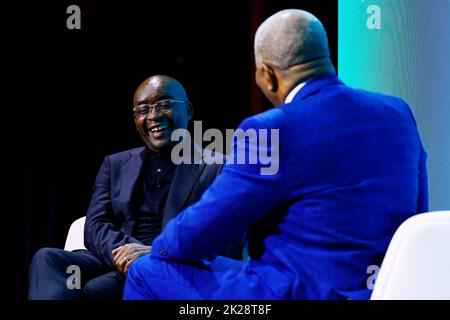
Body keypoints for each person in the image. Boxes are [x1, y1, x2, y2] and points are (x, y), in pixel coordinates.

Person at [123, 9, 428, 300]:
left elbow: (208, 226)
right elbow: (416, 213)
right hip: (382, 288)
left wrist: (159, 248)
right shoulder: (397, 113)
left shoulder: (271, 129)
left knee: (146, 270)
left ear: (267, 74)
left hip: (295, 292)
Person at [28, 75, 240, 300]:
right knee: (47, 259)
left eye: (164, 105)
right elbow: (96, 225)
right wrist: (127, 253)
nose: (153, 116)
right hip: (113, 259)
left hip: (171, 266)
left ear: (187, 110)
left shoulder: (218, 166)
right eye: (142, 109)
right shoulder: (116, 164)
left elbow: (224, 234)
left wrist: (156, 253)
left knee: (90, 291)